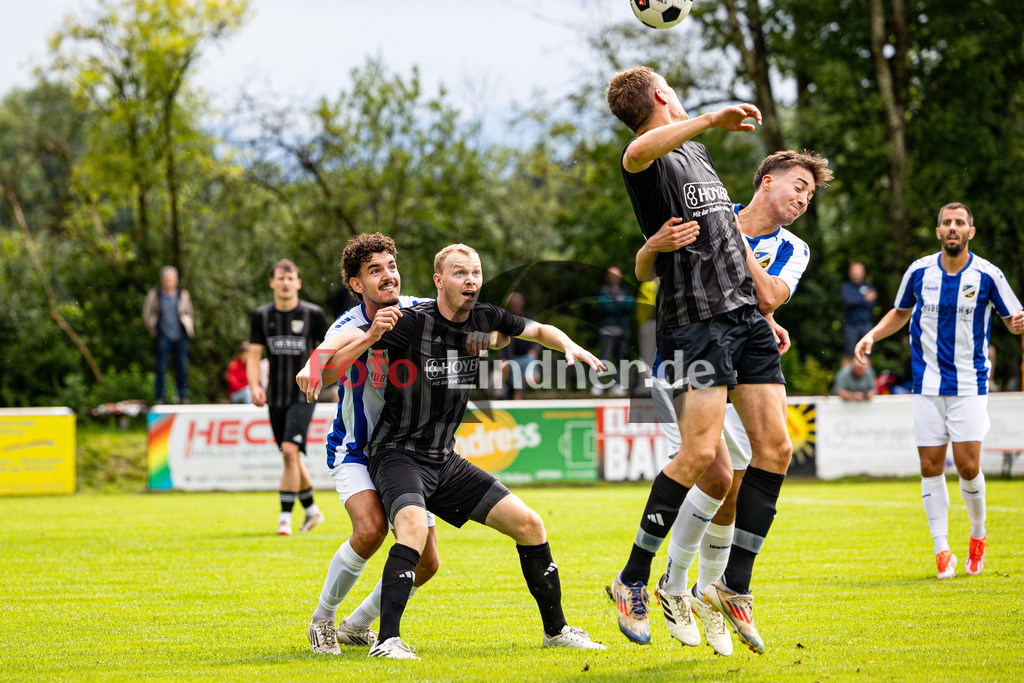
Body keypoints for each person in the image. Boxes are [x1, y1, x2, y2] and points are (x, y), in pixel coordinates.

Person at [606, 66, 811, 655]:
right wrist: (714, 117)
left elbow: (727, 240)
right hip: (695, 324)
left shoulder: (697, 153)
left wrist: (765, 311)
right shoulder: (655, 158)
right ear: (660, 95)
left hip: (745, 320)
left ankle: (733, 587)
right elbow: (635, 152)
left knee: (776, 449)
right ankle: (631, 579)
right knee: (700, 456)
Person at [327, 243, 606, 659]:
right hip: (397, 454)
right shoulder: (410, 322)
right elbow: (348, 339)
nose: (471, 281)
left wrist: (569, 345)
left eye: (475, 273)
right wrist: (336, 352)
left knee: (530, 524)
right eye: (460, 273)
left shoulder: (485, 318)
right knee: (414, 534)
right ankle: (386, 641)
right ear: (438, 281)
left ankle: (557, 630)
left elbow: (538, 330)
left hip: (444, 459)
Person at [639, 151, 831, 655]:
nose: (803, 198)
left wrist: (736, 251)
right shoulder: (704, 215)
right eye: (798, 186)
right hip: (687, 361)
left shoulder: (794, 248)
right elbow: (655, 272)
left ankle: (711, 593)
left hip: (742, 361)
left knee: (739, 484)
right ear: (767, 182)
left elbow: (767, 294)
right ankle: (673, 586)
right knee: (713, 474)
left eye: (810, 193)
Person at [296, 233, 457, 653]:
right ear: (355, 284)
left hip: (409, 452)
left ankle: (358, 622)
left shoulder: (417, 310)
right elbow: (325, 355)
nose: (388, 276)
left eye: (390, 266)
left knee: (427, 562)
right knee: (368, 530)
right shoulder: (349, 324)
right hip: (357, 450)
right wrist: (313, 366)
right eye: (374, 271)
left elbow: (464, 314)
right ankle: (323, 619)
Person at [855, 202, 1024, 580]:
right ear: (937, 232)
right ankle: (941, 548)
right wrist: (871, 335)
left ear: (970, 232)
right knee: (930, 466)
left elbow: (1014, 320)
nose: (952, 228)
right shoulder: (919, 271)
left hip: (969, 385)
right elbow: (900, 312)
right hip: (926, 385)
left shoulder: (987, 274)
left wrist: (1016, 327)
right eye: (946, 223)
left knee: (967, 466)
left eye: (959, 223)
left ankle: (978, 534)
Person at [248, 259, 329, 536]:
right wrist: (254, 385)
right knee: (290, 457)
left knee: (289, 451)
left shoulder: (313, 315)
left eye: (290, 278)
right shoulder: (261, 316)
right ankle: (312, 511)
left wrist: (320, 375)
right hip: (275, 397)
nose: (285, 283)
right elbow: (254, 354)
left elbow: (327, 350)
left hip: (304, 395)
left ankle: (284, 518)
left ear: (298, 283)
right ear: (272, 283)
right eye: (280, 278)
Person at [143, 265, 194, 404]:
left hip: (180, 336)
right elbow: (147, 314)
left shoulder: (182, 294)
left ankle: (182, 396)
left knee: (182, 367)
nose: (169, 282)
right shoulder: (155, 294)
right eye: (166, 279)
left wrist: (188, 327)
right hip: (162, 336)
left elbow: (189, 313)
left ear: (176, 281)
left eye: (171, 279)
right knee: (160, 367)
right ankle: (160, 397)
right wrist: (152, 327)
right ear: (162, 280)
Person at [592, 267, 635, 397]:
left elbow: (631, 305)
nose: (614, 278)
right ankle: (598, 384)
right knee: (605, 356)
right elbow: (605, 307)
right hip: (607, 329)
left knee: (620, 358)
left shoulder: (624, 290)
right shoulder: (602, 290)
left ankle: (617, 385)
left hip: (623, 329)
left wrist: (615, 304)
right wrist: (620, 305)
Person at [499, 292, 541, 399]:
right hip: (512, 358)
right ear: (509, 305)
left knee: (534, 379)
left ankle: (522, 379)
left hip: (528, 356)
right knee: (516, 387)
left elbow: (540, 336)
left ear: (522, 304)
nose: (515, 307)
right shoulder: (505, 320)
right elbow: (499, 341)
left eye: (517, 305)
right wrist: (503, 358)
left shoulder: (530, 318)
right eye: (513, 305)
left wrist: (534, 351)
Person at [841, 262, 877, 367]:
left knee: (867, 353)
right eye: (854, 271)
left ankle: (867, 382)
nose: (856, 274)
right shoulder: (846, 287)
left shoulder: (869, 286)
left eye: (858, 271)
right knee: (848, 354)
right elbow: (847, 301)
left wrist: (856, 301)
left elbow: (871, 304)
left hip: (866, 325)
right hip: (850, 325)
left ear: (863, 273)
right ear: (850, 273)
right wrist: (864, 299)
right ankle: (842, 382)